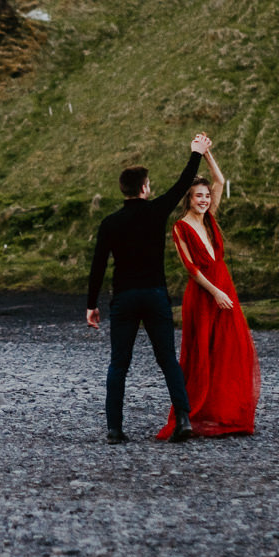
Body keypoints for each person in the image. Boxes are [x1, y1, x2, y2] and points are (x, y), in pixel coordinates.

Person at [85, 133, 208, 444]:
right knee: (167, 358)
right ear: (143, 188)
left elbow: (98, 265)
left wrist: (91, 305)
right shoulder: (156, 211)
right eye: (149, 184)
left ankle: (114, 429)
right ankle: (183, 420)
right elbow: (182, 185)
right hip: (154, 295)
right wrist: (196, 153)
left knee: (119, 364)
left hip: (124, 298)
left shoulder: (110, 223)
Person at [155, 146, 260, 439]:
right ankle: (192, 413)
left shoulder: (210, 218)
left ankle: (224, 410)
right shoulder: (180, 226)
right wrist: (215, 292)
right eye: (198, 196)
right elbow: (190, 268)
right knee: (201, 352)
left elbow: (220, 181)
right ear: (189, 199)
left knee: (229, 348)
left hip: (224, 289)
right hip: (204, 294)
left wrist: (208, 154)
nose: (204, 199)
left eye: (206, 196)